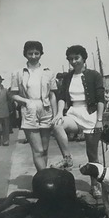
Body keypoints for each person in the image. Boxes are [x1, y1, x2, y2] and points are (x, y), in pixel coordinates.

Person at [12, 40, 71, 175]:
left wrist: (56, 115)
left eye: (36, 53)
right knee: (37, 150)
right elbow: (13, 95)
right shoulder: (18, 73)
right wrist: (26, 102)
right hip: (29, 111)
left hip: (46, 111)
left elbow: (52, 95)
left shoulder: (48, 72)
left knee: (44, 149)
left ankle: (44, 179)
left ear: (41, 54)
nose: (33, 56)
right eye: (30, 53)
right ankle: (44, 179)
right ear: (25, 54)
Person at [56, 45, 106, 166]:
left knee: (92, 155)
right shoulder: (67, 77)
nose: (74, 61)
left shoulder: (94, 75)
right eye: (70, 59)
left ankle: (95, 184)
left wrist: (99, 120)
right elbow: (62, 97)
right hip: (74, 113)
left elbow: (100, 99)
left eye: (76, 58)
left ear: (84, 58)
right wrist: (59, 114)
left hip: (91, 115)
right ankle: (67, 158)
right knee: (57, 125)